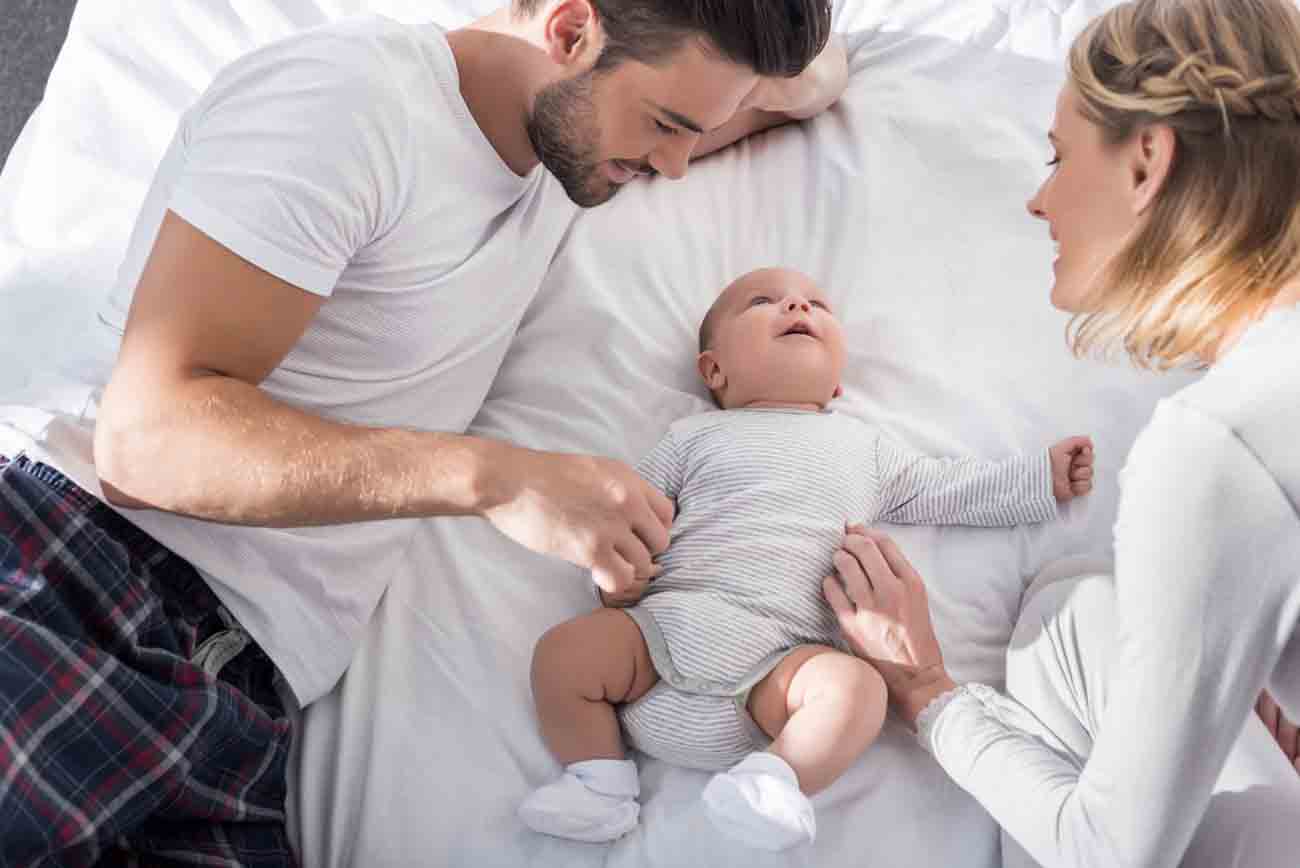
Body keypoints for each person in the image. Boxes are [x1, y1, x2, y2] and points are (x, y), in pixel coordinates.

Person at [0, 1, 849, 863]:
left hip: (243, 703)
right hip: (76, 571)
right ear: (569, 31)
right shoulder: (346, 106)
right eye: (666, 126)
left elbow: (801, 83)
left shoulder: (573, 142)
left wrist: (777, 64)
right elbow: (144, 441)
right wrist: (499, 479)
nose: (675, 165)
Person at [821, 1, 1300, 866]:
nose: (1040, 200)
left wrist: (929, 692)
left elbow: (1113, 852)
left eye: (1058, 154)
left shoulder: (1216, 446)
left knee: (1062, 629)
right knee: (1078, 609)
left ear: (1147, 159)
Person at [519, 266, 1095, 849]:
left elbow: (948, 488)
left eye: (816, 305)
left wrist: (1039, 481)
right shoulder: (690, 438)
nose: (797, 306)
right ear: (714, 369)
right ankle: (599, 779)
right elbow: (628, 515)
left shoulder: (862, 448)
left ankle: (773, 780)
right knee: (565, 652)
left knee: (859, 691)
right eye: (764, 301)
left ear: (837, 382)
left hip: (778, 673)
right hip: (662, 637)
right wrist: (616, 582)